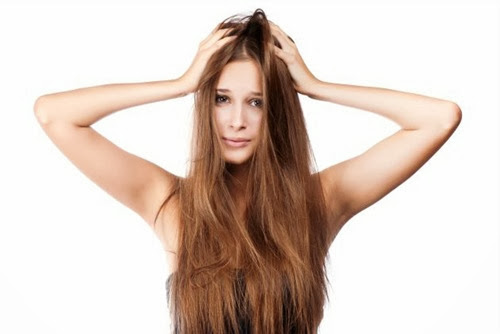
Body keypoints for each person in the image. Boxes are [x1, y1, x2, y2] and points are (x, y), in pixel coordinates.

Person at [33, 8, 461, 334]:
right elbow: (54, 115)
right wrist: (181, 85)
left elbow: (438, 118)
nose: (237, 120)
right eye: (221, 99)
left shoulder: (319, 200)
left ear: (277, 112)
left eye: (256, 102)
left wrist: (315, 88)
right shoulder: (170, 202)